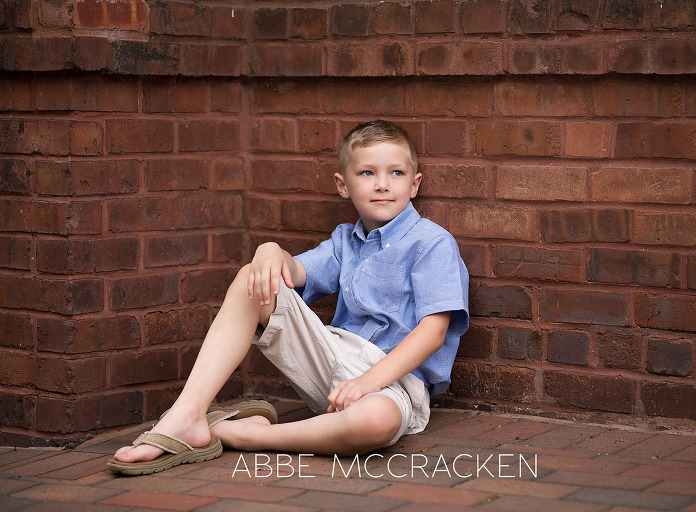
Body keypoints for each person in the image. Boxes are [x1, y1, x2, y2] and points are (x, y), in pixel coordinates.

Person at [107, 120, 469, 475]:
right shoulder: (345, 242)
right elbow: (291, 272)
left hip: (392, 385)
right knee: (255, 277)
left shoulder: (431, 243)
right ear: (343, 185)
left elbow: (433, 332)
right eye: (367, 174)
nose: (382, 185)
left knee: (375, 422)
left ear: (415, 184)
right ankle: (186, 413)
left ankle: (253, 436)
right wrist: (269, 249)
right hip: (333, 361)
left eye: (396, 173)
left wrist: (369, 381)